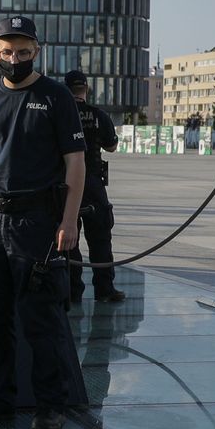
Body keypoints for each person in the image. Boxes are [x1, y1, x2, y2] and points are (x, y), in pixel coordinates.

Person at [0, 14, 85, 429]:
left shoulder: (56, 98)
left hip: (38, 223)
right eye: (8, 51)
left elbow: (76, 163)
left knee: (41, 318)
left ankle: (51, 405)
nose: (15, 58)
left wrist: (68, 221)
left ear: (37, 51)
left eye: (24, 51)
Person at [63, 69, 126, 305]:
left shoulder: (61, 114)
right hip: (92, 183)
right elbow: (111, 146)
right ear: (86, 89)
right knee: (100, 238)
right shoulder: (98, 115)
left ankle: (72, 290)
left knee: (68, 238)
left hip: (65, 184)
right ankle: (105, 289)